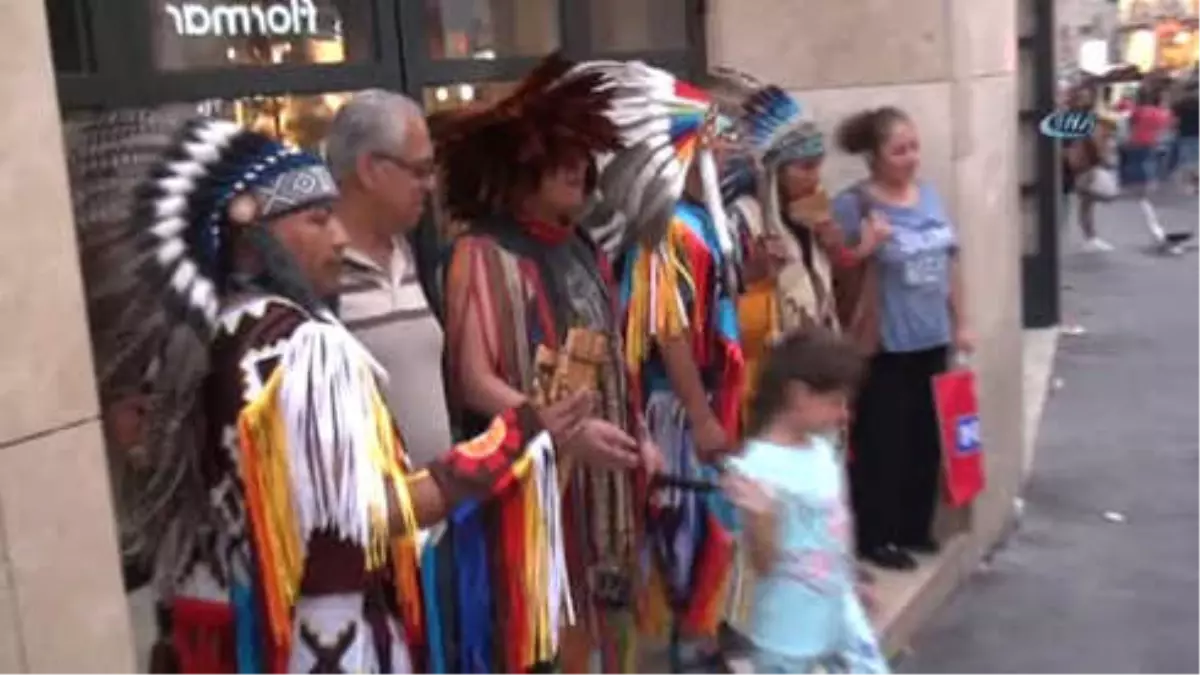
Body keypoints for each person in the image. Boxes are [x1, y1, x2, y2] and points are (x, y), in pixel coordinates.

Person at [73, 112, 630, 674]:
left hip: (245, 633)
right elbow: (373, 513)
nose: (338, 238)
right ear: (255, 234)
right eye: (317, 221)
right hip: (326, 642)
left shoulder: (211, 336)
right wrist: (517, 436)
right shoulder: (304, 348)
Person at [435, 54, 658, 674]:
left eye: (583, 156)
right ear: (518, 165)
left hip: (604, 484)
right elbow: (473, 381)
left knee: (607, 629)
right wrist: (563, 431)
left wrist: (639, 436)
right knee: (549, 637)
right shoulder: (481, 253)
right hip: (538, 487)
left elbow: (613, 356)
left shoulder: (584, 246)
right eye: (558, 156)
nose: (577, 169)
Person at [581, 60, 745, 667]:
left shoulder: (699, 220)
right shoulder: (669, 229)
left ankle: (698, 636)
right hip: (676, 406)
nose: (727, 149)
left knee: (707, 522)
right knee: (684, 527)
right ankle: (685, 646)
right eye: (717, 135)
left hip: (702, 395)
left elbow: (706, 309)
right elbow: (667, 331)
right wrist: (700, 417)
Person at [830, 106, 973, 571]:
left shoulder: (929, 196)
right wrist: (865, 248)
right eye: (899, 150)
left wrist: (962, 322)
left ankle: (915, 526)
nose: (910, 158)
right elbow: (836, 272)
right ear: (874, 156)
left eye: (914, 147)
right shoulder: (854, 205)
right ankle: (876, 535)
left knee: (925, 439)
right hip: (886, 344)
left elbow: (950, 264)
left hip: (932, 338)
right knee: (882, 442)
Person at [723, 327, 890, 674]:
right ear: (798, 396)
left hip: (839, 616)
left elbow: (829, 532)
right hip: (788, 636)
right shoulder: (757, 467)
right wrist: (762, 517)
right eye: (835, 402)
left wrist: (849, 580)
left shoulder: (821, 449)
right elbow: (764, 563)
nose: (844, 414)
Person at [324, 90, 452, 469]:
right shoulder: (320, 272)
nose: (429, 186)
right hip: (376, 518)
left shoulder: (410, 256)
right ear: (370, 170)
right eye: (419, 170)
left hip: (438, 514)